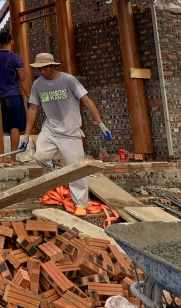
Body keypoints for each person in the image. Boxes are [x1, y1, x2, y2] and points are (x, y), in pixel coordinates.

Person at [19, 53, 112, 218]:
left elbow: (87, 101)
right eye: (39, 68)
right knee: (40, 156)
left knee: (77, 169)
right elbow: (33, 108)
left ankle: (80, 204)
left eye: (45, 67)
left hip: (71, 131)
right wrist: (26, 134)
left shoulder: (68, 80)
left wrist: (101, 124)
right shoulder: (38, 84)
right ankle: (55, 173)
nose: (42, 71)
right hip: (50, 129)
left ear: (53, 66)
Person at [0, 31, 32, 164]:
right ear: (12, 42)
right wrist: (29, 96)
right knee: (14, 127)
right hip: (13, 95)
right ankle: (13, 158)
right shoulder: (16, 58)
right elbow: (23, 79)